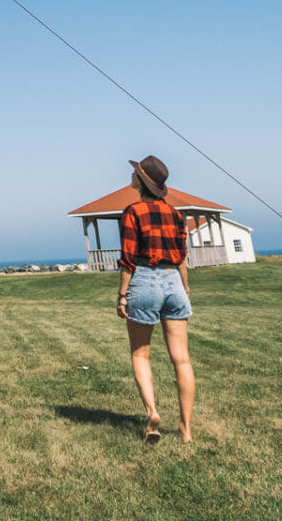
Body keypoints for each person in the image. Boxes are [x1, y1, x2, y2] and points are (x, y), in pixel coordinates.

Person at [116, 154, 196, 444]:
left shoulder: (132, 212)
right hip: (174, 280)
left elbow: (128, 259)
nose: (132, 175)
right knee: (182, 359)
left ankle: (152, 413)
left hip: (145, 280)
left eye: (135, 173)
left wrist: (122, 296)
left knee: (140, 354)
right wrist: (185, 288)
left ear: (141, 181)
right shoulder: (174, 214)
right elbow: (182, 257)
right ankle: (186, 430)